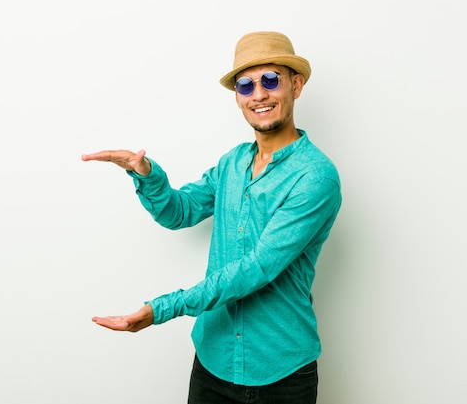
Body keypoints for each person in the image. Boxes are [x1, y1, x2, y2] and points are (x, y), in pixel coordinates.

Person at [81, 31, 342, 404]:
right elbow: (179, 212)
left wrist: (162, 309)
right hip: (213, 362)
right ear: (238, 97)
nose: (259, 95)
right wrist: (146, 174)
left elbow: (257, 268)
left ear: (295, 85)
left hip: (281, 373)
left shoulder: (315, 177)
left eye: (271, 80)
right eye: (246, 85)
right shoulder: (232, 163)